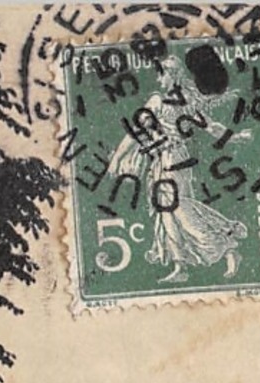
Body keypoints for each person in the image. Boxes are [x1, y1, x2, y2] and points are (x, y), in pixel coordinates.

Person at [107, 46, 251, 285]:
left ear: (172, 75)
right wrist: (233, 137)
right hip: (165, 162)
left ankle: (225, 245)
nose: (158, 79)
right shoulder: (184, 101)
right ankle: (180, 265)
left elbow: (135, 133)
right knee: (167, 213)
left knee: (180, 210)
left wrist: (117, 159)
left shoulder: (162, 101)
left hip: (172, 160)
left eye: (161, 74)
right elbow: (212, 128)